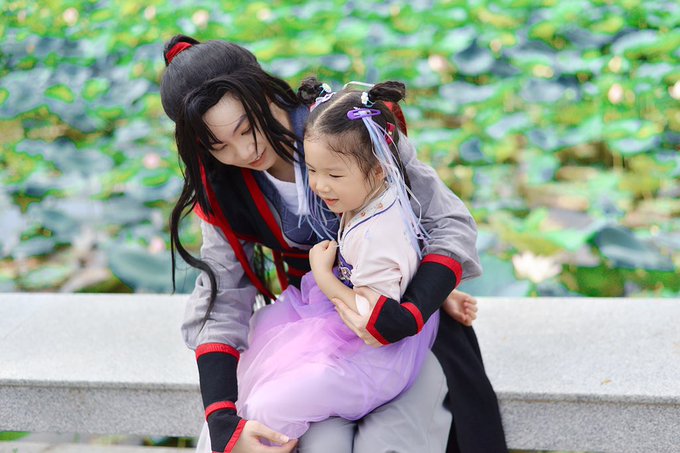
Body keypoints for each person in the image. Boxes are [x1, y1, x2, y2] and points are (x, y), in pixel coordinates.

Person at [160, 34, 507, 453]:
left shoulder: (348, 126)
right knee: (299, 440)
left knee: (386, 445)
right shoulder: (222, 187)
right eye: (219, 146)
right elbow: (224, 295)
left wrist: (416, 306)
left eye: (247, 128)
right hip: (313, 335)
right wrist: (221, 420)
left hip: (405, 325)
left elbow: (447, 222)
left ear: (264, 90)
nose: (245, 151)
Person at [236, 78, 445, 441]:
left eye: (333, 174)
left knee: (270, 405)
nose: (319, 186)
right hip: (351, 319)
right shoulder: (371, 193)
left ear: (379, 169)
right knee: (260, 329)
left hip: (376, 355)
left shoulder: (377, 236)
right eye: (312, 170)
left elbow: (372, 320)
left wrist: (324, 276)